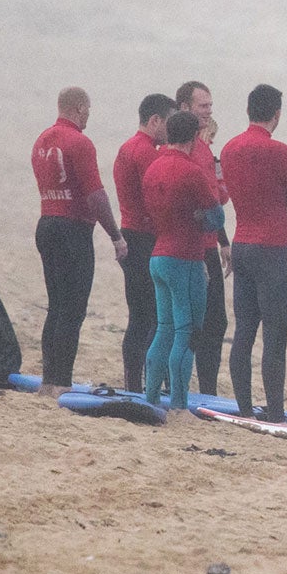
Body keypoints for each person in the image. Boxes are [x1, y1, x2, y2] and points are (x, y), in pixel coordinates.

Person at [220, 84, 287, 420]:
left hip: (242, 242)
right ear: (276, 114)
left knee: (244, 329)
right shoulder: (278, 151)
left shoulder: (230, 149)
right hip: (273, 248)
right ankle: (275, 412)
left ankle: (244, 408)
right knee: (275, 333)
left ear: (248, 110)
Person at [31, 87, 125, 389]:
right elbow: (95, 195)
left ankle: (49, 379)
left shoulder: (41, 140)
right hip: (72, 229)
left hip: (46, 224)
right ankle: (62, 381)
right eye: (88, 110)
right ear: (80, 109)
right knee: (73, 309)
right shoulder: (80, 142)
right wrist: (116, 236)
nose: (89, 116)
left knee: (56, 305)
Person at [140, 111, 223, 414]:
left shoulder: (153, 168)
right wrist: (200, 217)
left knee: (164, 328)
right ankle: (178, 402)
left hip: (158, 255)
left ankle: (150, 396)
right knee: (187, 333)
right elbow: (217, 217)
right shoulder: (191, 172)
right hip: (185, 257)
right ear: (193, 138)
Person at [114, 93, 174, 391]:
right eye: (169, 123)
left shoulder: (126, 148)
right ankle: (141, 385)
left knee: (138, 314)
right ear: (155, 121)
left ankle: (132, 382)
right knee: (149, 316)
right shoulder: (147, 151)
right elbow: (160, 198)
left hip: (128, 232)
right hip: (144, 239)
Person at [174, 80, 229, 397]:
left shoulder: (205, 150)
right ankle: (186, 389)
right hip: (192, 251)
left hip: (208, 245)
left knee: (215, 323)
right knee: (193, 323)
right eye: (203, 106)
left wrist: (223, 241)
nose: (209, 111)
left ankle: (206, 389)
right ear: (184, 108)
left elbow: (213, 202)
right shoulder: (187, 152)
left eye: (210, 105)